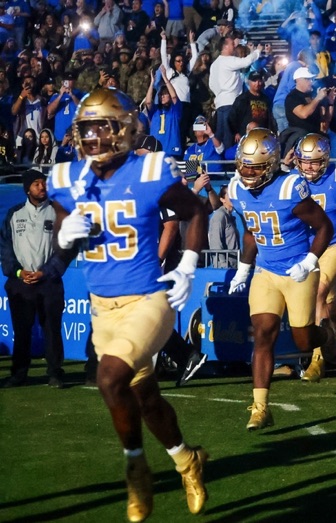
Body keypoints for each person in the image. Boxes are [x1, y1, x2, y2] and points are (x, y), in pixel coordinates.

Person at [46, 88, 209, 520]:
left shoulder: (149, 169)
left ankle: (136, 468)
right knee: (146, 399)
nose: (94, 137)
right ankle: (186, 459)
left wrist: (187, 265)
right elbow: (64, 244)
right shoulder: (67, 179)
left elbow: (196, 211)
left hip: (149, 299)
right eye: (86, 129)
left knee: (109, 377)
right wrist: (63, 239)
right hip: (103, 308)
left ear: (123, 129)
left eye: (102, 126)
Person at [225, 127, 336, 431]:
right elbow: (251, 232)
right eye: (244, 165)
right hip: (267, 271)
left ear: (271, 165)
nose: (247, 172)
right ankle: (260, 407)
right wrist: (244, 269)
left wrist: (310, 260)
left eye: (255, 166)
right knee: (263, 333)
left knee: (303, 339)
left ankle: (327, 336)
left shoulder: (290, 188)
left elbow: (324, 226)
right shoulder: (237, 189)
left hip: (297, 269)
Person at [292, 133, 336, 379]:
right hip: (307, 250)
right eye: (304, 161)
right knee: (330, 307)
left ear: (324, 160)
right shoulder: (291, 180)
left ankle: (317, 360)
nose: (308, 166)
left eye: (314, 161)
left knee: (318, 293)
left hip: (335, 245)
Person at [0, 169, 67, 389]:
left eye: (43, 183)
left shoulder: (58, 213)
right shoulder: (14, 214)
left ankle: (55, 372)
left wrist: (46, 272)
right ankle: (19, 374)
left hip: (49, 282)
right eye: (36, 184)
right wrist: (18, 272)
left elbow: (65, 249)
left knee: (52, 329)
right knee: (22, 331)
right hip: (22, 283)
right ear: (27, 188)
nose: (42, 187)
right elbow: (5, 249)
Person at [209, 36, 263, 150]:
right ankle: (230, 163)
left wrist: (220, 94)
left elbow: (211, 85)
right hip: (231, 103)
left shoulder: (214, 64)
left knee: (221, 135)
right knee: (230, 136)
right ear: (225, 46)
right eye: (232, 43)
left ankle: (221, 162)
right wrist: (257, 51)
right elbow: (246, 61)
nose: (234, 45)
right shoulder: (228, 60)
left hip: (220, 104)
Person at [145, 65, 183, 158]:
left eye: (165, 94)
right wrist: (152, 83)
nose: (162, 96)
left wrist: (165, 78)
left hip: (171, 151)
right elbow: (148, 102)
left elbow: (174, 97)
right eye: (161, 94)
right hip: (155, 152)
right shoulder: (155, 111)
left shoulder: (175, 110)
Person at [208, 185, 239, 268]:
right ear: (222, 199)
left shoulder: (231, 216)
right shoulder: (220, 216)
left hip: (234, 264)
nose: (233, 197)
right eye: (229, 195)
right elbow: (215, 243)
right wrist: (222, 265)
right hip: (225, 267)